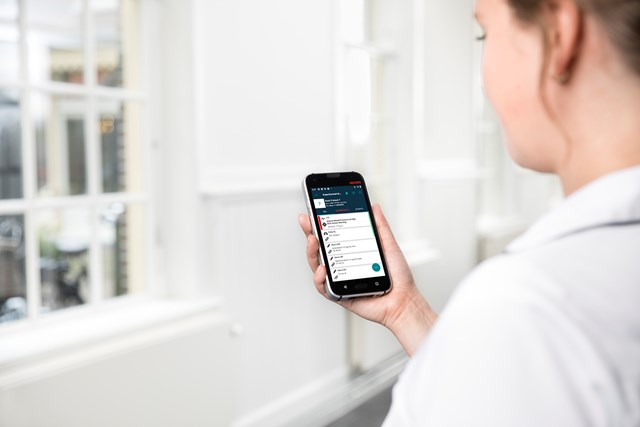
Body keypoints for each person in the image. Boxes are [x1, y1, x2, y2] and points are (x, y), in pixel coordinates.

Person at [298, 0, 640, 424]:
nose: (482, 80)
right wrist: (409, 312)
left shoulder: (526, 304)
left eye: (486, 34)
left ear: (560, 32)